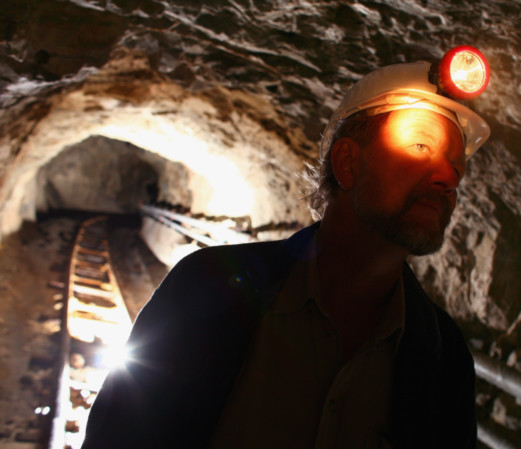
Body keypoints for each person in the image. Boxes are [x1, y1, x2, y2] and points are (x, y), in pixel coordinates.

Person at [82, 47, 491, 449]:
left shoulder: (444, 358)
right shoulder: (207, 287)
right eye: (421, 147)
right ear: (347, 163)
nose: (447, 177)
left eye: (457, 166)